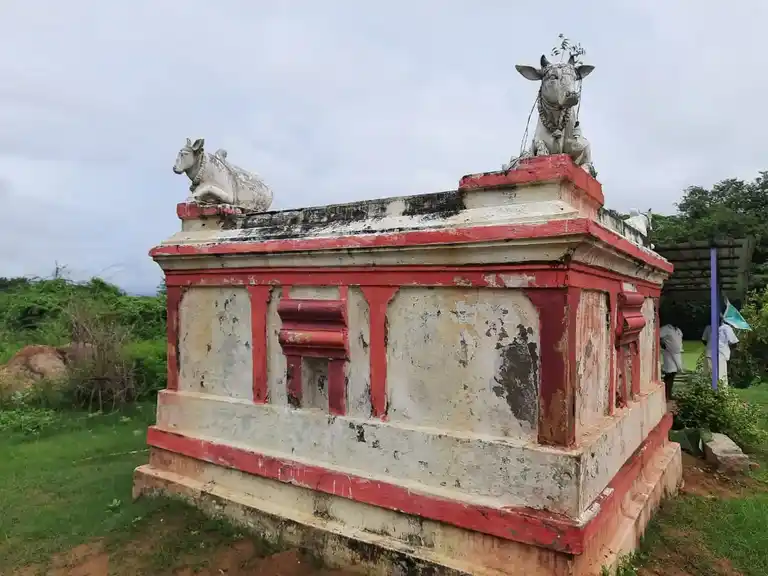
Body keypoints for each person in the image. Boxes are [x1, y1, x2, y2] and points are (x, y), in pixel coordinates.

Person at [701, 316, 739, 388]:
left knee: (721, 375)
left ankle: (722, 394)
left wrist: (725, 348)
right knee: (709, 374)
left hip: (721, 354)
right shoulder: (709, 327)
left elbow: (734, 342)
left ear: (722, 319)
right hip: (710, 354)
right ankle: (709, 393)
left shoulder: (726, 328)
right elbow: (704, 339)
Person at [659, 323, 684, 400]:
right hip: (669, 354)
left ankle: (669, 395)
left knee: (673, 374)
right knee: (669, 374)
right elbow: (657, 336)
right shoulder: (665, 328)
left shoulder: (678, 330)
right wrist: (662, 344)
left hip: (677, 354)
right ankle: (665, 395)